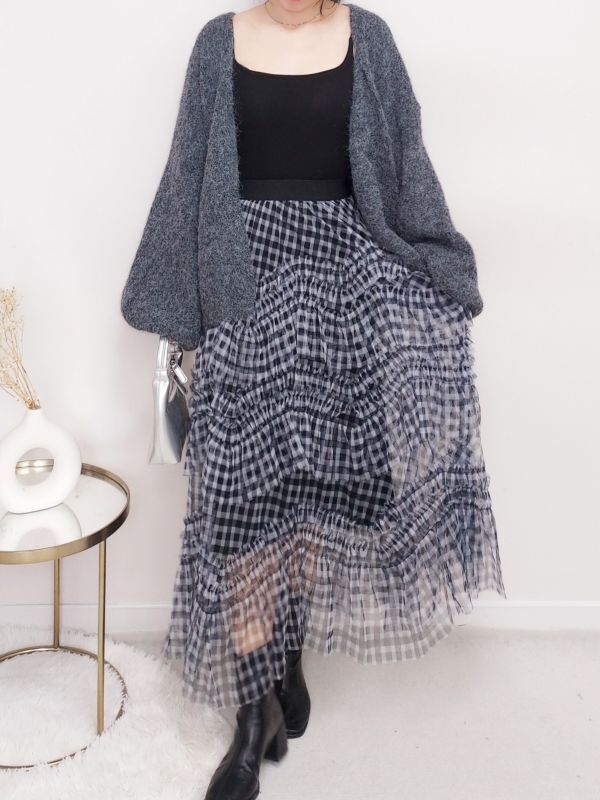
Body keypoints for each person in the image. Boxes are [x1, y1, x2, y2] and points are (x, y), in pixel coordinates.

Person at [121, 2, 507, 798]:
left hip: (343, 293)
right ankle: (251, 713)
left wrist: (435, 269)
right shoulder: (218, 42)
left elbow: (404, 164)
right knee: (242, 507)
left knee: (313, 494)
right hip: (243, 287)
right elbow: (189, 175)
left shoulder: (370, 38)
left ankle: (285, 660)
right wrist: (181, 312)